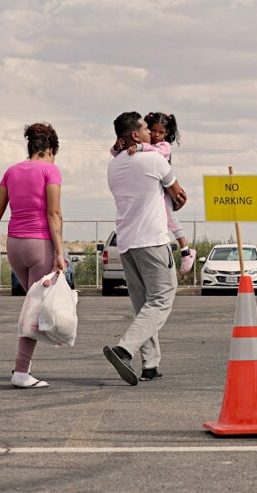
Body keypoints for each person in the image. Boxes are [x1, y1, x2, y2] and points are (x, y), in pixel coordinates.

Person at [103, 111, 187, 385]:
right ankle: (124, 349)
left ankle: (150, 365)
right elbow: (179, 195)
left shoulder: (113, 167)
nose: (151, 132)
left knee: (144, 307)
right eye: (145, 129)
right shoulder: (154, 159)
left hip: (126, 244)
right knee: (162, 298)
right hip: (152, 240)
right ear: (135, 135)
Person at [0, 122, 66, 389]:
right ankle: (21, 371)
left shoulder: (11, 171)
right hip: (39, 243)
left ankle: (23, 367)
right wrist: (60, 252)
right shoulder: (50, 170)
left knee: (33, 304)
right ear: (50, 149)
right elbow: (54, 213)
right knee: (34, 309)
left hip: (14, 245)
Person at [111, 112, 196, 274]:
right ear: (137, 134)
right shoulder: (136, 155)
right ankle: (185, 251)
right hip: (148, 233)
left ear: (167, 133)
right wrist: (117, 146)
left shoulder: (160, 149)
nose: (154, 134)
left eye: (161, 132)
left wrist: (140, 147)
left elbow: (175, 190)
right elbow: (120, 154)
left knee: (170, 218)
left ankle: (185, 250)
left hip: (160, 192)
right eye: (151, 130)